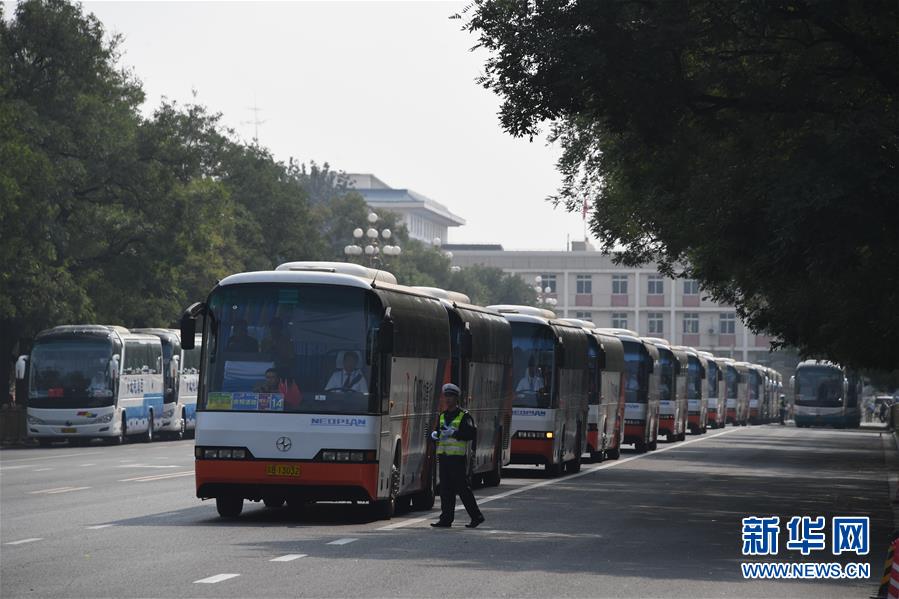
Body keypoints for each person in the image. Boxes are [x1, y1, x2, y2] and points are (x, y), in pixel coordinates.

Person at [429, 383, 485, 529]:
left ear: (456, 398)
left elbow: (471, 434)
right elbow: (438, 433)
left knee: (462, 489)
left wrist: (455, 433)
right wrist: (435, 435)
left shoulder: (464, 416)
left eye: (450, 397)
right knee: (445, 490)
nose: (447, 399)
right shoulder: (443, 415)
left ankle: (476, 516)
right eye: (446, 396)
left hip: (457, 459)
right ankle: (446, 519)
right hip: (444, 457)